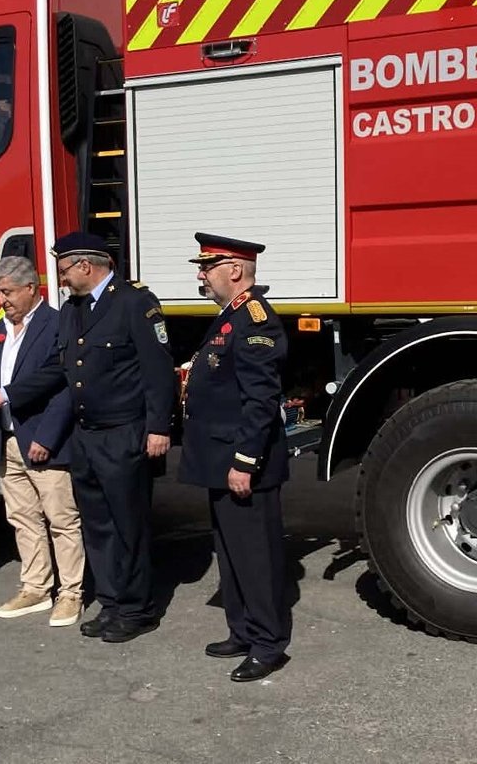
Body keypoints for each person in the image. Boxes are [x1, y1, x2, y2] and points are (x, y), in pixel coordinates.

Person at [0, 231, 175, 643]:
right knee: (98, 526)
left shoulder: (134, 302)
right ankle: (111, 601)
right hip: (86, 435)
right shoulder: (73, 310)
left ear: (87, 265)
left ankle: (138, 609)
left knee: (129, 525)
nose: (62, 279)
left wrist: (159, 426)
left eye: (66, 269)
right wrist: (8, 393)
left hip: (124, 432)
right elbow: (60, 369)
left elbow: (158, 369)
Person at [178, 233, 292, 682]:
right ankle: (242, 630)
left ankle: (268, 644)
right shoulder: (230, 317)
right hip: (219, 459)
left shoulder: (255, 320)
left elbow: (261, 400)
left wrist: (245, 461)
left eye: (206, 268)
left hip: (243, 464)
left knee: (256, 557)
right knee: (230, 554)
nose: (200, 276)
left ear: (234, 270)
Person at [0, 255, 84, 628]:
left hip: (41, 440)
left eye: (8, 292)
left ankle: (71, 594)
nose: (2, 300)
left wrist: (47, 437)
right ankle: (35, 588)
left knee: (61, 520)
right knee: (22, 519)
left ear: (31, 288)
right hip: (8, 439)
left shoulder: (56, 324)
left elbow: (63, 386)